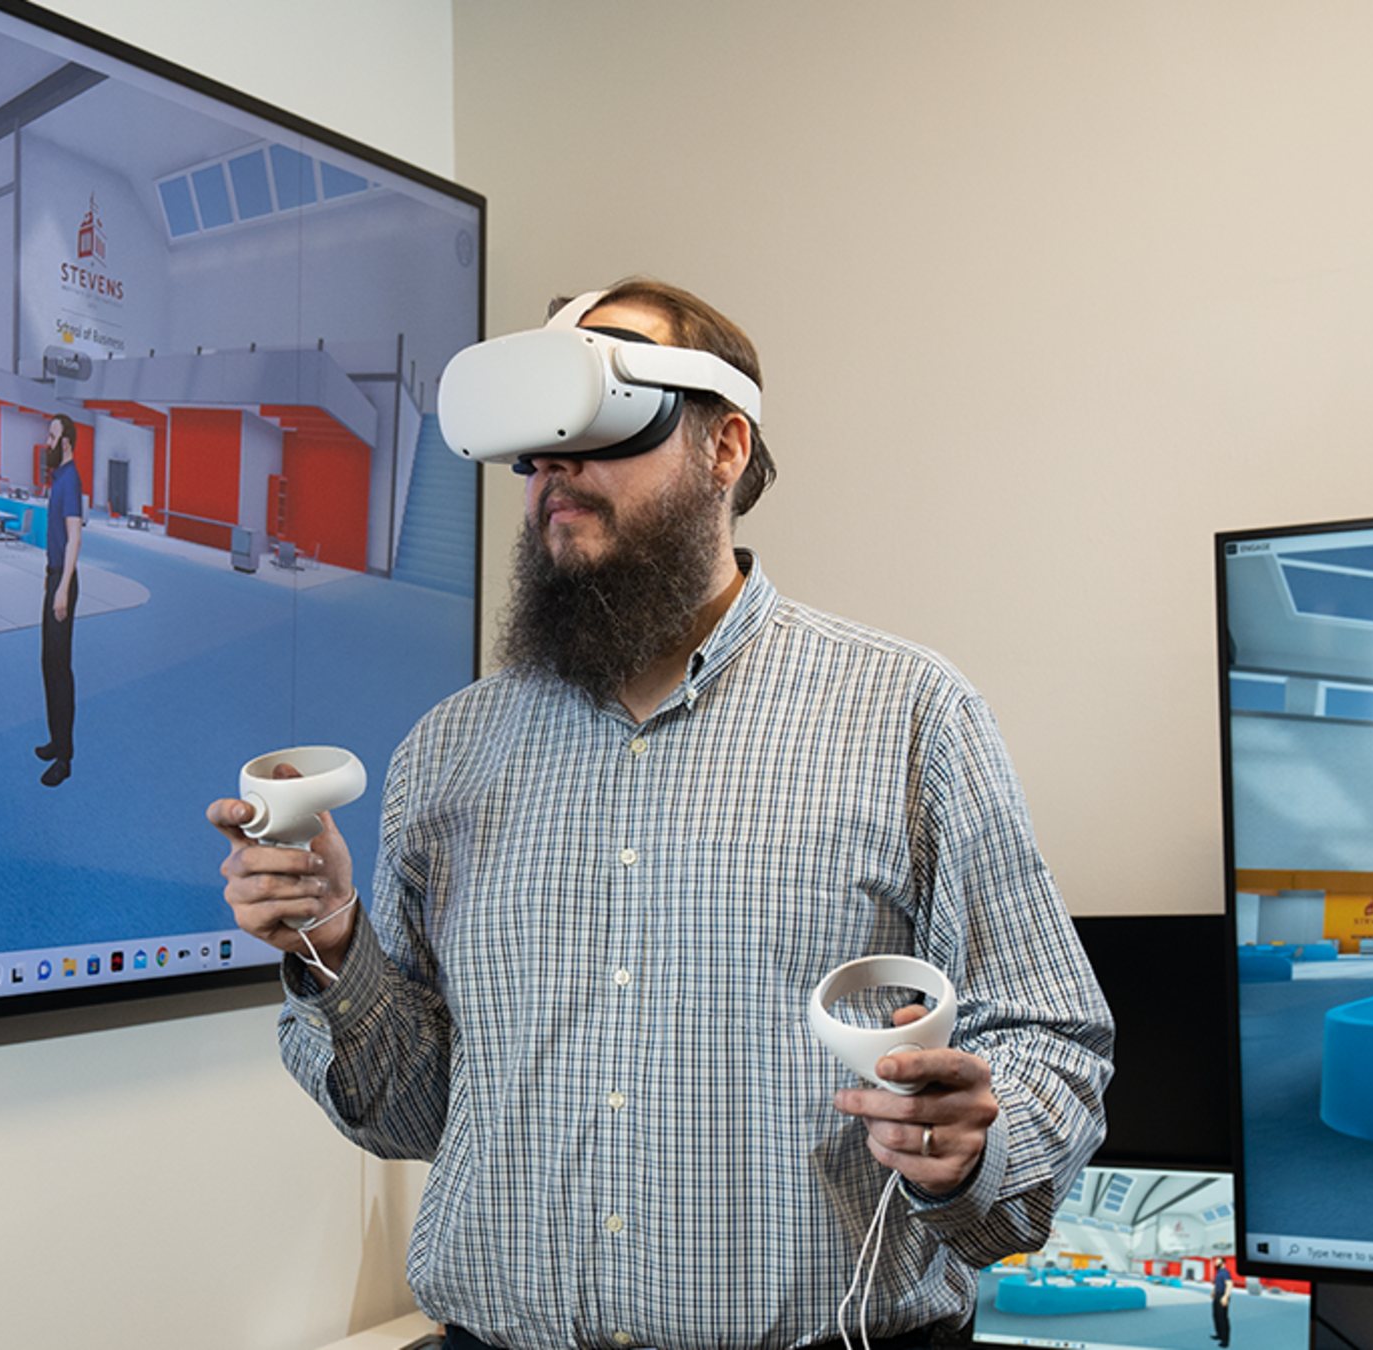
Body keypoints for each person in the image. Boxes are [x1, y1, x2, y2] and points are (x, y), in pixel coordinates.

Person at [208, 278, 1113, 1350]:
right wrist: (333, 940)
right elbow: (415, 1113)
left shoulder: (910, 717)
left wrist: (973, 1141)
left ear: (726, 446)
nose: (553, 474)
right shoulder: (447, 754)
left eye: (596, 425)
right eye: (534, 453)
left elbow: (1052, 1041)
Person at [34, 413, 84, 787]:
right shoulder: (58, 478)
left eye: (51, 436)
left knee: (60, 669)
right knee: (47, 663)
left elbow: (74, 537)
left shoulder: (71, 481)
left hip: (61, 582)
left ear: (65, 441)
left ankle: (64, 758)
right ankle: (56, 739)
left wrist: (63, 586)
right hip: (53, 578)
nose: (46, 442)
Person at [1210, 1262, 1232, 1347]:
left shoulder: (1226, 1272)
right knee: (1216, 1315)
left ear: (1223, 1263)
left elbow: (1229, 1284)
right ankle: (1219, 1334)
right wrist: (1213, 1292)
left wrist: (1226, 1296)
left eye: (1218, 1261)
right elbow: (1217, 1284)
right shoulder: (1218, 1272)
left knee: (1222, 1318)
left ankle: (1225, 1341)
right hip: (1217, 1294)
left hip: (1223, 1295)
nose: (1216, 1263)